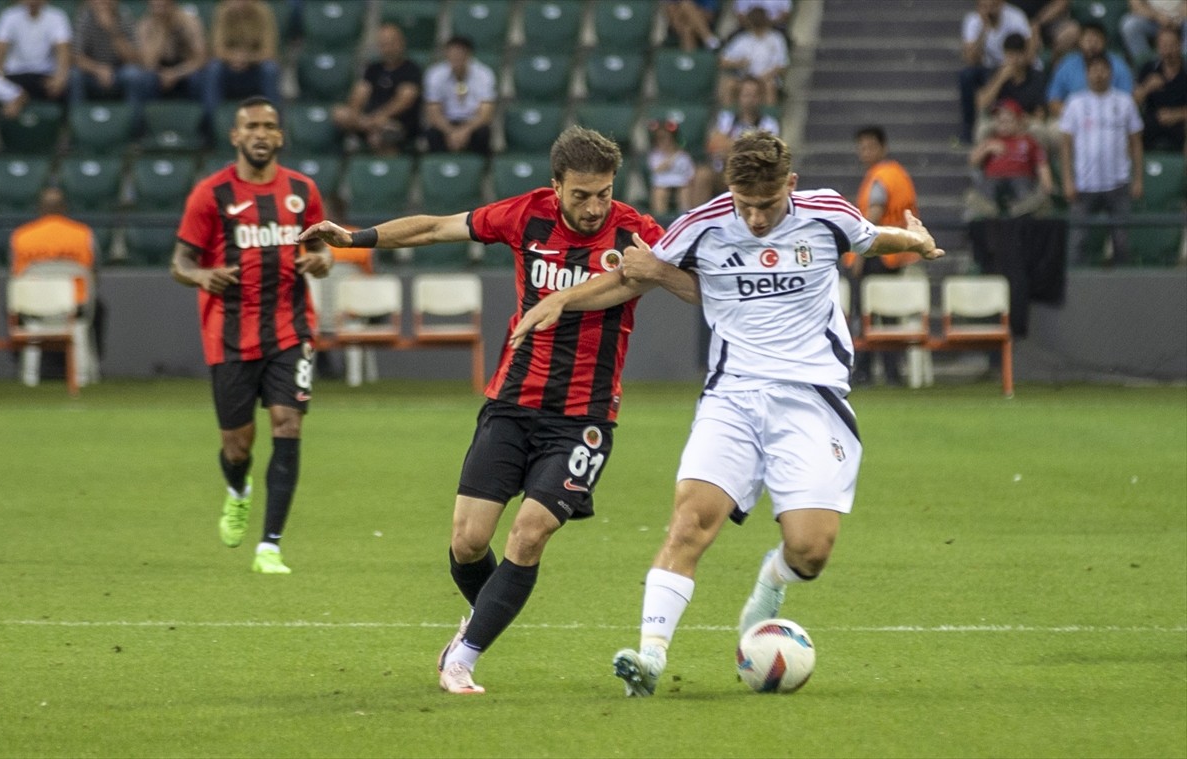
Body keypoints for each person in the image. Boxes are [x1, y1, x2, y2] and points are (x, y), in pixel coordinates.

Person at [507, 130, 945, 698]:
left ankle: (772, 582)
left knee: (810, 550)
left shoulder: (827, 212)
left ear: (789, 185)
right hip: (732, 397)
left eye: (766, 205)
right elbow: (630, 275)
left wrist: (913, 242)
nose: (756, 219)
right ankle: (649, 658)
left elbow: (868, 238)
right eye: (745, 205)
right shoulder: (702, 224)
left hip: (812, 399)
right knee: (690, 522)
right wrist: (562, 298)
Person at [297, 126, 700, 695]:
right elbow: (438, 227)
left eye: (604, 194)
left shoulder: (638, 232)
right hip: (511, 403)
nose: (593, 207)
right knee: (467, 543)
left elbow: (699, 287)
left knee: (529, 534)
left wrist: (657, 271)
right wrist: (353, 237)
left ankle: (462, 656)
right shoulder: (524, 215)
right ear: (556, 185)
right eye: (581, 194)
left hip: (584, 418)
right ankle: (484, 618)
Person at [170, 95, 333, 575]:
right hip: (230, 334)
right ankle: (238, 490)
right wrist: (201, 277)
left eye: (269, 126)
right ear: (235, 136)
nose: (261, 134)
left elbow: (320, 247)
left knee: (288, 423)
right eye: (252, 126)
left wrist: (321, 260)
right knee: (236, 446)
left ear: (280, 136)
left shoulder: (303, 191)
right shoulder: (211, 194)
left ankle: (270, 546)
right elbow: (180, 262)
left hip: (291, 328)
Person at [844, 125, 920, 386]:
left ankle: (864, 372)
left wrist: (860, 256)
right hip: (894, 254)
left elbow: (873, 216)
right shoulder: (897, 174)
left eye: (869, 146)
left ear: (882, 147)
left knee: (865, 314)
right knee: (888, 315)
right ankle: (892, 373)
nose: (864, 152)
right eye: (861, 147)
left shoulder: (880, 177)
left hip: (876, 255)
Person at [10, 186, 101, 387]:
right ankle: (88, 371)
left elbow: (15, 277)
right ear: (64, 208)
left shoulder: (22, 236)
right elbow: (94, 275)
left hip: (33, 308)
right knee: (100, 308)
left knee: (12, 305)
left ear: (40, 208)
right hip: (75, 308)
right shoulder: (83, 234)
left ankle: (26, 372)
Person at [1058, 55, 1144, 266]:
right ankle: (1075, 286)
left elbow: (1136, 143)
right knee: (1077, 240)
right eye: (1093, 70)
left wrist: (1138, 179)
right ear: (1086, 74)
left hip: (1117, 183)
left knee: (1121, 241)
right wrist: (1068, 180)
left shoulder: (1124, 102)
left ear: (1110, 73)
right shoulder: (1075, 103)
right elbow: (1066, 145)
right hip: (1084, 184)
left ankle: (1124, 287)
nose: (1098, 74)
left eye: (1103, 69)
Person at [331, 23, 422, 155]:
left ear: (401, 43)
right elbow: (360, 92)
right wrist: (355, 114)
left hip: (396, 122)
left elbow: (404, 100)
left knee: (383, 133)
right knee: (339, 113)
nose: (387, 48)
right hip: (367, 120)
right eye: (383, 44)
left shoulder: (411, 69)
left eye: (391, 43)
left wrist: (379, 117)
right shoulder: (373, 69)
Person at [688, 76, 779, 206]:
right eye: (746, 95)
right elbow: (714, 144)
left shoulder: (769, 124)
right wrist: (742, 148)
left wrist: (731, 149)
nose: (750, 100)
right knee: (702, 175)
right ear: (739, 97)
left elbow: (765, 155)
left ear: (761, 98)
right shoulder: (726, 119)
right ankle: (696, 221)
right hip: (725, 173)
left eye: (754, 95)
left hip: (753, 176)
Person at [965, 99, 1055, 219]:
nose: (1003, 123)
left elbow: (1042, 164)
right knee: (986, 188)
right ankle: (989, 210)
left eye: (1007, 120)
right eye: (999, 120)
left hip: (1021, 178)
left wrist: (1047, 185)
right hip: (994, 178)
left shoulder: (1029, 141)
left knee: (1023, 188)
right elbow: (972, 161)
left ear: (1018, 121)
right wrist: (986, 149)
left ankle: (1022, 209)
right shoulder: (991, 140)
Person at [959, 0, 1034, 143]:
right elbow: (970, 58)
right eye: (984, 6)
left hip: (1015, 64)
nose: (989, 10)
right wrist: (983, 29)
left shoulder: (1015, 17)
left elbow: (1028, 49)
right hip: (987, 68)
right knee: (967, 75)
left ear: (1001, 4)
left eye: (992, 5)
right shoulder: (973, 21)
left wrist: (1014, 63)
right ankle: (969, 127)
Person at [202, 0, 280, 121]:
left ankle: (275, 122)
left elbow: (269, 51)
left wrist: (247, 59)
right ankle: (210, 122)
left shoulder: (263, 11)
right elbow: (217, 50)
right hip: (229, 68)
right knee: (214, 68)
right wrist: (234, 58)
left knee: (270, 68)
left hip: (255, 68)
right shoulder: (222, 11)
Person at [68, 0, 145, 118]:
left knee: (133, 74)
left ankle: (134, 127)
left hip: (119, 71)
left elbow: (133, 58)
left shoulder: (124, 15)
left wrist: (112, 30)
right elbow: (76, 56)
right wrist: (98, 69)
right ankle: (76, 122)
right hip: (91, 72)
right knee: (74, 75)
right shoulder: (84, 16)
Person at [422, 36, 495, 156]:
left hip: (472, 123)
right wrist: (451, 132)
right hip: (446, 122)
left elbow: (485, 113)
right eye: (452, 54)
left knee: (483, 132)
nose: (456, 58)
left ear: (469, 54)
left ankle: (481, 169)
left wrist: (464, 131)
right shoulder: (435, 74)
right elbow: (433, 112)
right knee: (432, 133)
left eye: (460, 54)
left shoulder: (484, 74)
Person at [974, 32, 1051, 144]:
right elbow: (982, 103)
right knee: (983, 129)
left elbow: (1041, 113)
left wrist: (1023, 120)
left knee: (1038, 130)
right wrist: (1000, 79)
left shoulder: (1037, 76)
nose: (1014, 60)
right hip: (1000, 120)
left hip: (1026, 120)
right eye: (1010, 55)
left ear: (1025, 54)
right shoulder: (995, 73)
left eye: (1018, 54)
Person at [1047, 21, 1133, 118]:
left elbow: (1127, 101)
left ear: (1105, 41)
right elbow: (1054, 101)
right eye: (1088, 40)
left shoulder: (1118, 66)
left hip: (1110, 119)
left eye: (1096, 40)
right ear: (1079, 41)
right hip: (1072, 118)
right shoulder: (1067, 64)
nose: (1092, 45)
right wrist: (1076, 117)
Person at [0, 0, 71, 101]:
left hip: (43, 77)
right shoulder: (9, 15)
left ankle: (19, 98)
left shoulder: (57, 16)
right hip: (14, 76)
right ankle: (16, 97)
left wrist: (60, 77)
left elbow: (63, 50)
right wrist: (0, 80)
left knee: (67, 85)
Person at [134, 0, 208, 105]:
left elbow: (201, 58)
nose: (160, 10)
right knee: (145, 78)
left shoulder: (189, 22)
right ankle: (152, 117)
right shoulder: (145, 25)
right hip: (159, 71)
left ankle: (201, 118)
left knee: (198, 78)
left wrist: (176, 74)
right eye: (156, 6)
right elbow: (147, 63)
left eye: (164, 5)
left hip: (186, 69)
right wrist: (161, 30)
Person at [717, 6, 789, 107]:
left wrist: (762, 77)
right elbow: (722, 61)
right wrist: (738, 63)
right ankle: (727, 117)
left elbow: (782, 67)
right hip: (744, 79)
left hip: (765, 79)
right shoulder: (742, 39)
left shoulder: (776, 39)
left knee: (770, 85)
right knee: (729, 84)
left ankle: (769, 117)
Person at [1133, 26, 1186, 152]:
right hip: (1152, 121)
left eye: (1172, 45)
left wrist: (1177, 114)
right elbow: (1132, 103)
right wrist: (1146, 88)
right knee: (1129, 129)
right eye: (1164, 46)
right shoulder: (1148, 68)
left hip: (1181, 121)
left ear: (1180, 45)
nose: (1168, 51)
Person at [646, 119, 695, 216]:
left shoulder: (683, 156)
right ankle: (659, 221)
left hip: (681, 183)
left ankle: (685, 218)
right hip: (661, 183)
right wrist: (672, 157)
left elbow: (691, 174)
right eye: (660, 139)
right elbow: (657, 169)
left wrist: (676, 152)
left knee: (685, 191)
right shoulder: (655, 155)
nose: (663, 142)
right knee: (660, 192)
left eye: (666, 138)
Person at [1119, 0, 1187, 64]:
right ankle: (1146, 66)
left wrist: (1177, 19)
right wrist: (1158, 17)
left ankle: (1184, 64)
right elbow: (1136, 5)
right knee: (1130, 25)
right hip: (1153, 20)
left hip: (1181, 19)